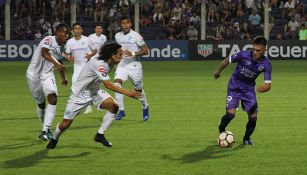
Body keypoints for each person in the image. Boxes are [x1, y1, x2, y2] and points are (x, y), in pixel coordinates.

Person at [46, 42, 142, 149]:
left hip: (94, 91)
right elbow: (108, 84)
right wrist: (128, 93)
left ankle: (100, 135)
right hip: (80, 95)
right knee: (66, 124)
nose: (122, 56)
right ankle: (54, 138)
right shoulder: (100, 64)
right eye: (120, 54)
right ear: (112, 55)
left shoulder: (110, 62)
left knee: (114, 106)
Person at [213, 36, 272, 146]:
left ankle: (246, 138)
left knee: (253, 117)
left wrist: (255, 89)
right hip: (234, 86)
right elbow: (228, 60)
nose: (255, 52)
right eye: (253, 49)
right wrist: (218, 71)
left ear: (265, 50)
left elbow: (268, 85)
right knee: (230, 115)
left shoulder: (266, 64)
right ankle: (222, 129)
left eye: (258, 50)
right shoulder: (243, 54)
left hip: (249, 89)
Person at [26, 23, 70, 141]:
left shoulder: (62, 47)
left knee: (53, 98)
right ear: (58, 32)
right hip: (33, 76)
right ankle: (46, 129)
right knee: (41, 103)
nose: (67, 35)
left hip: (47, 75)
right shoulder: (49, 39)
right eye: (65, 33)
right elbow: (44, 53)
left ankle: (45, 130)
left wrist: (63, 78)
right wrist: (57, 64)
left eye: (68, 34)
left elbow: (60, 61)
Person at [113, 16, 150, 121]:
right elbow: (118, 49)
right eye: (123, 23)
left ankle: (145, 107)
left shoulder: (136, 36)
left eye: (127, 23)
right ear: (120, 25)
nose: (125, 25)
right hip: (122, 65)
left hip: (134, 66)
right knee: (116, 85)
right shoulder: (117, 36)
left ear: (131, 24)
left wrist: (133, 53)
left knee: (138, 90)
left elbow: (146, 51)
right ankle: (121, 110)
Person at [63, 22, 97, 114]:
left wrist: (90, 56)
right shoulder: (70, 42)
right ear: (73, 30)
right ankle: (86, 105)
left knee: (88, 87)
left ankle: (89, 104)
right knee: (75, 86)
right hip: (77, 67)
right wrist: (69, 58)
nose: (77, 30)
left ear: (81, 30)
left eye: (79, 28)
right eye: (75, 28)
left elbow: (95, 50)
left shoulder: (87, 40)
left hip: (87, 67)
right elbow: (66, 54)